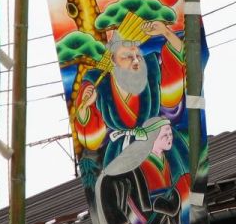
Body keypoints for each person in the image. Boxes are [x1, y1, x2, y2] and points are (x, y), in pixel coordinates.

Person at [73, 20, 188, 175]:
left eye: (137, 56)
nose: (135, 61)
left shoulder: (152, 69)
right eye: (127, 57)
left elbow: (176, 63)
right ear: (113, 60)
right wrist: (85, 107)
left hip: (155, 142)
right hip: (120, 152)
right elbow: (90, 135)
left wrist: (166, 32)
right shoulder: (98, 82)